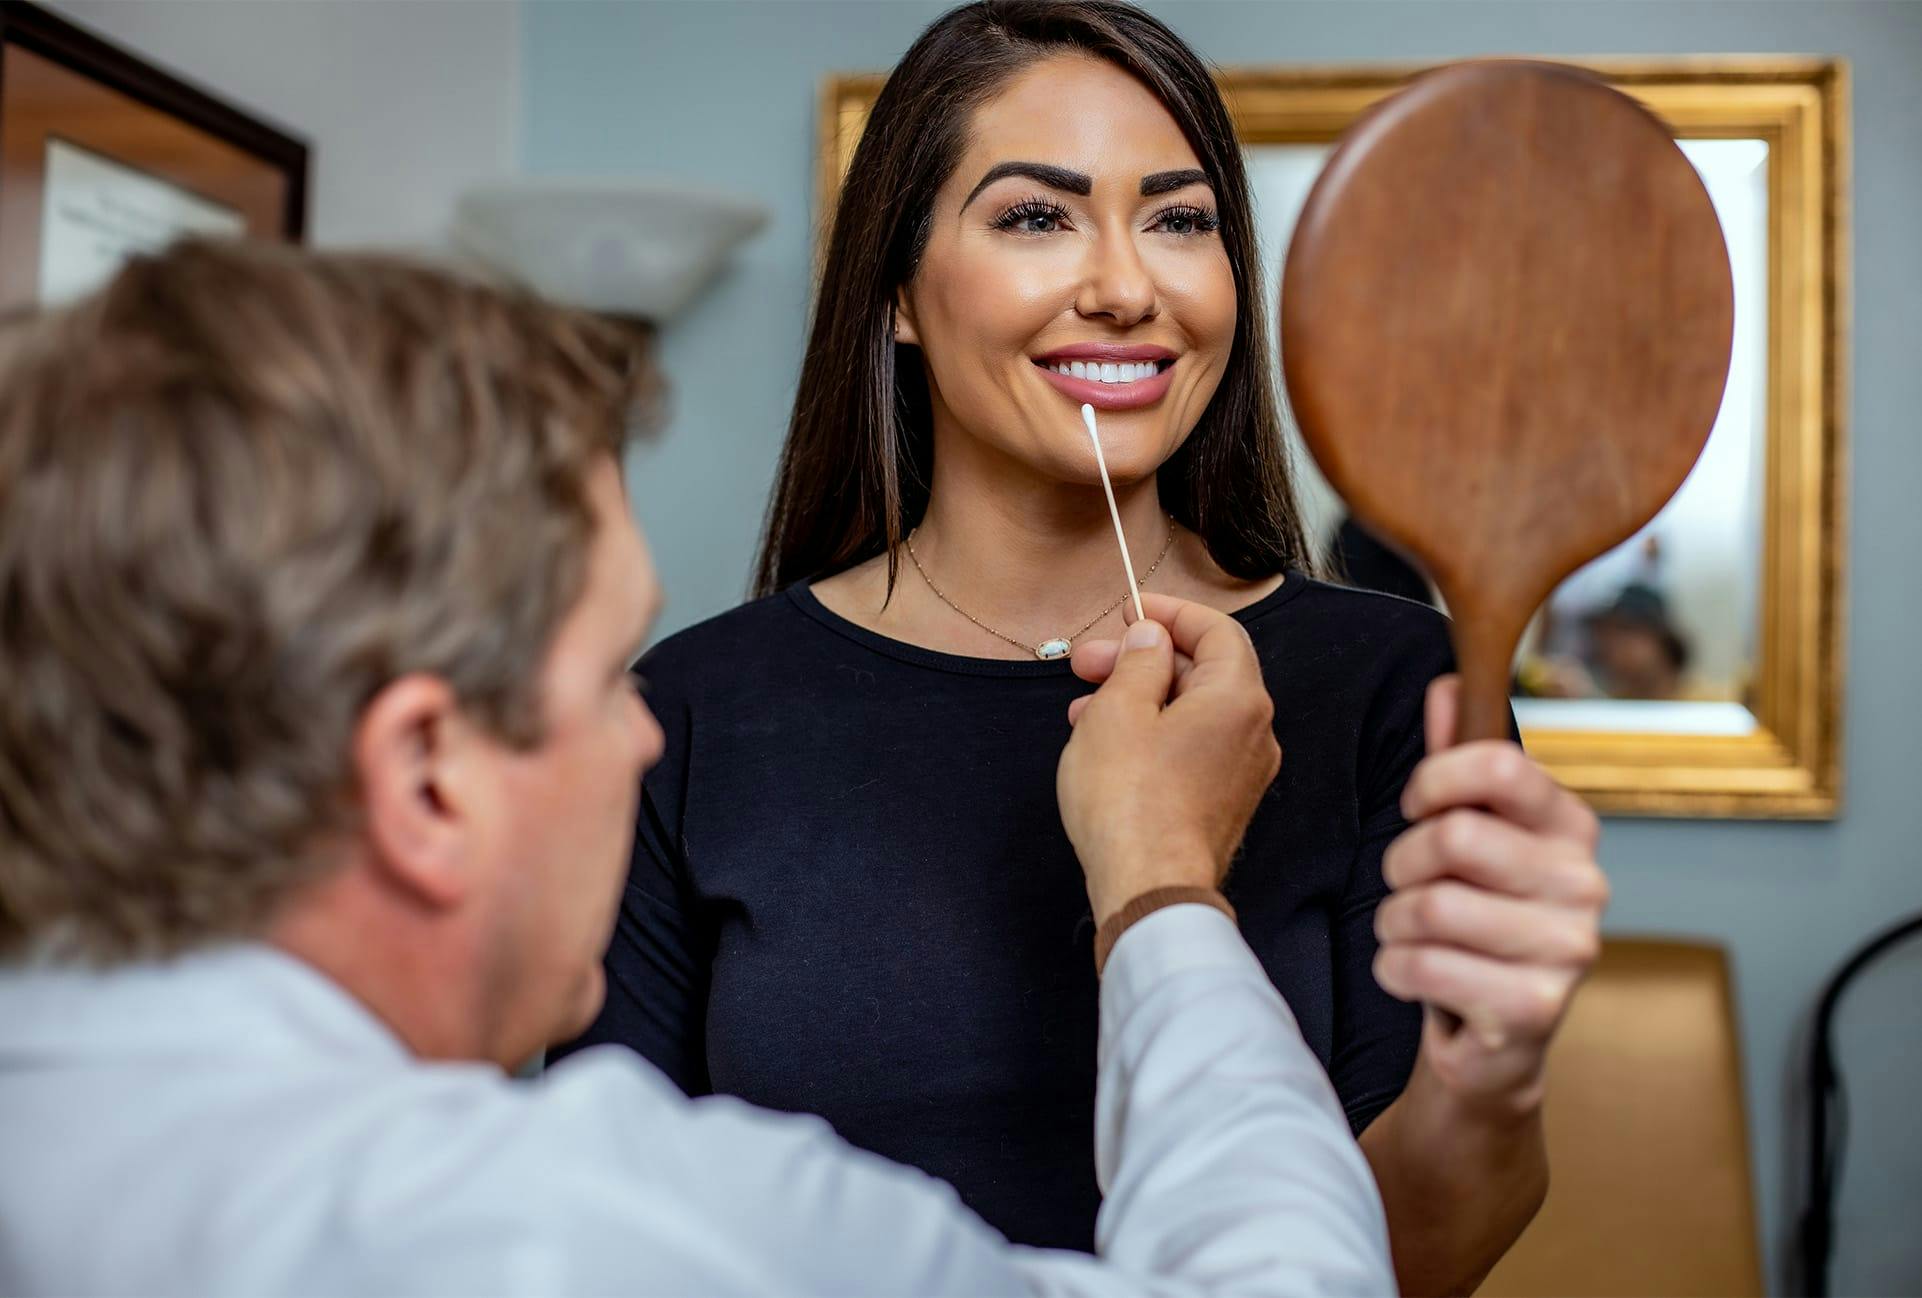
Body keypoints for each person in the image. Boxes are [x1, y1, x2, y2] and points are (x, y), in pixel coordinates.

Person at [0, 240, 1397, 1295]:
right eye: (607, 675)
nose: (649, 729)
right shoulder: (616, 1231)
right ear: (426, 776)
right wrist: (1159, 881)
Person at [557, 3, 1610, 1293]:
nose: (1126, 287)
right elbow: (614, 1231)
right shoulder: (687, 712)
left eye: (1180, 220)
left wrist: (1488, 1081)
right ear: (894, 291)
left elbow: (1395, 1267)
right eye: (1036, 216)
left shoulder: (1398, 689)